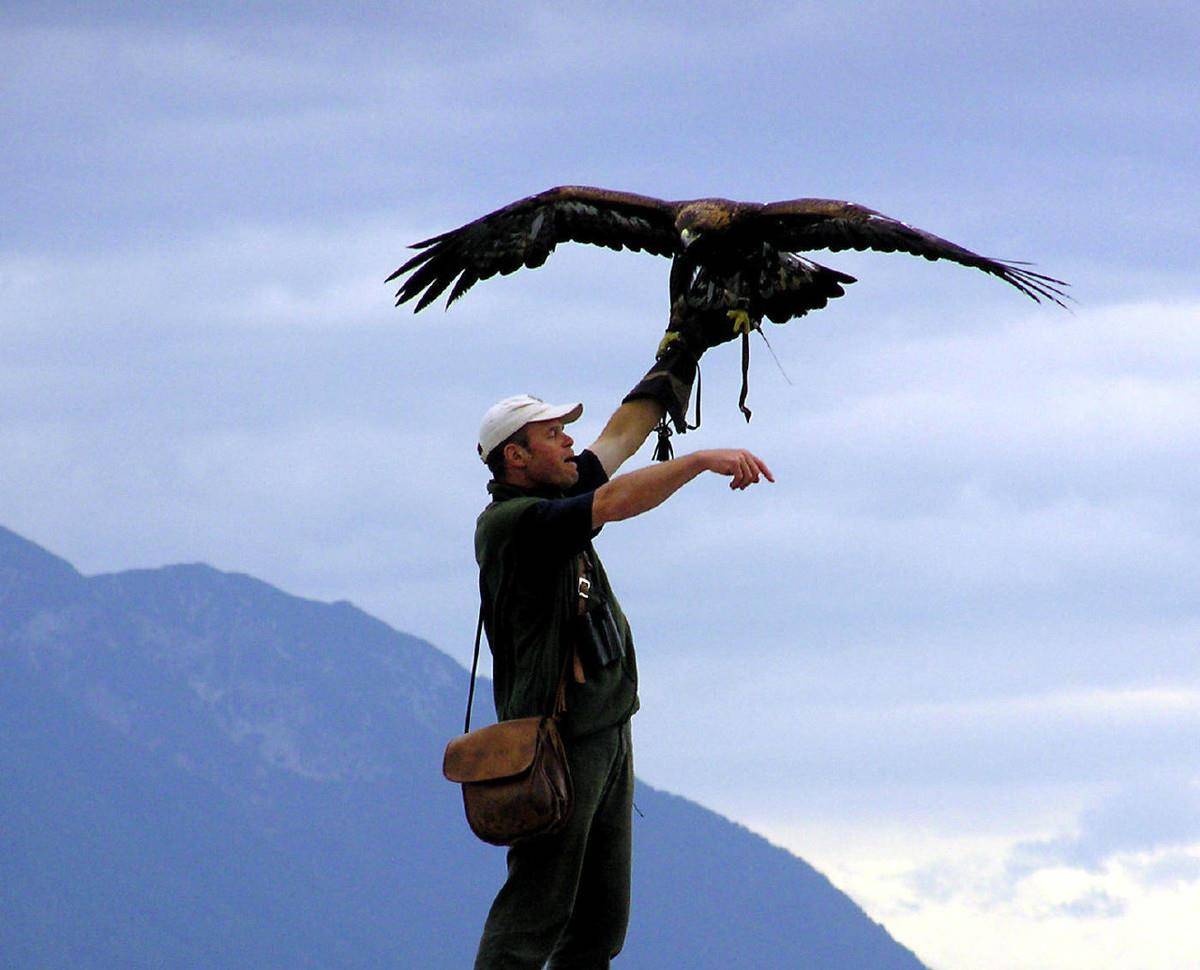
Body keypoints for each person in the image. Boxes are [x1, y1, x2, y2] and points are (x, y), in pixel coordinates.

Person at [472, 314, 773, 970]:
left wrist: (680, 350)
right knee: (536, 911)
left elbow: (621, 434)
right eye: (553, 436)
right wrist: (698, 460)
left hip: (605, 729)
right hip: (557, 737)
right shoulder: (516, 524)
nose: (569, 443)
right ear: (514, 458)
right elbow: (610, 501)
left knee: (600, 927)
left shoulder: (554, 493)